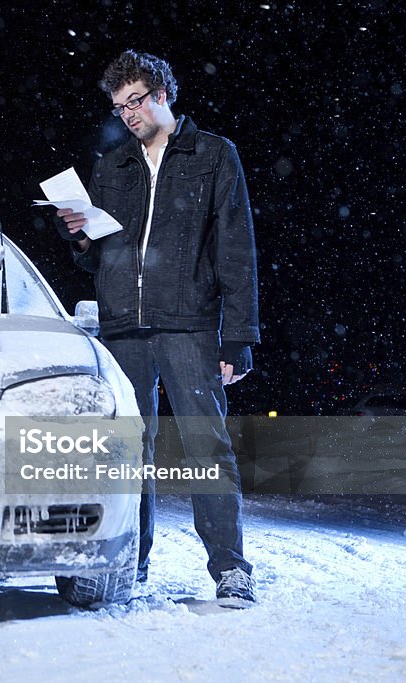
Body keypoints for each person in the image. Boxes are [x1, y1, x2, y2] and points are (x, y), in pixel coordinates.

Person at [56, 50, 259, 606]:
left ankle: (231, 568)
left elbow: (236, 250)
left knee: (206, 448)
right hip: (122, 326)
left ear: (163, 95)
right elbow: (98, 258)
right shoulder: (112, 166)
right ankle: (131, 560)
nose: (128, 114)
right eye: (119, 107)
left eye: (136, 101)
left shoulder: (215, 155)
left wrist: (239, 336)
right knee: (127, 450)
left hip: (190, 325)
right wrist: (79, 234)